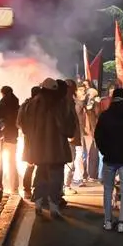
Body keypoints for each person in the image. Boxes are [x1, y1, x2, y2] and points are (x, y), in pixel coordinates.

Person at [20, 79, 78, 218]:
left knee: (41, 174)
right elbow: (68, 126)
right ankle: (54, 206)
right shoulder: (60, 103)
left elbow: (23, 124)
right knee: (56, 176)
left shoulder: (32, 103)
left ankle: (39, 202)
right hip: (56, 148)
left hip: (38, 148)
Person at [94, 88, 123, 232]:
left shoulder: (105, 115)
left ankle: (107, 221)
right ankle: (122, 223)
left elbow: (98, 136)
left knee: (107, 189)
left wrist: (104, 150)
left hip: (109, 157)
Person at [0, 85, 20, 192]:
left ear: (2, 93)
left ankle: (0, 184)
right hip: (12, 137)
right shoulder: (17, 105)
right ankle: (14, 187)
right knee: (12, 162)